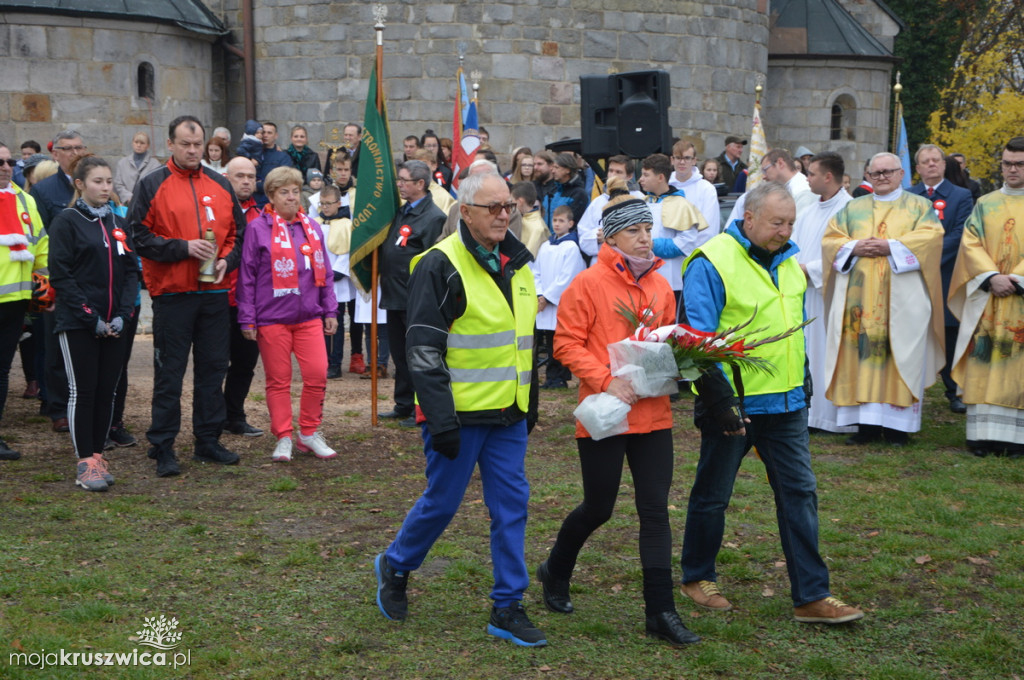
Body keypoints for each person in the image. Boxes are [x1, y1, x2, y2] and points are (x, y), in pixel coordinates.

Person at [680, 181, 864, 625]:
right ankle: (696, 576)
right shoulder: (712, 262)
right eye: (777, 222)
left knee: (800, 494)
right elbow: (696, 341)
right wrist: (721, 402)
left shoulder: (790, 263)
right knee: (713, 495)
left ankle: (812, 596)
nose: (785, 231)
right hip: (733, 406)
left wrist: (801, 383)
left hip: (785, 406)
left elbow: (791, 329)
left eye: (790, 223)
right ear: (749, 219)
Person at [373, 172, 545, 648]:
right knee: (442, 503)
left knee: (512, 506)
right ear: (464, 212)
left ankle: (507, 604)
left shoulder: (519, 263)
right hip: (459, 415)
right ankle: (396, 565)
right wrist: (441, 419)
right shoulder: (438, 264)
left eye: (507, 205)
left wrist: (528, 402)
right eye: (492, 207)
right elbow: (423, 351)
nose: (503, 214)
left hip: (507, 414)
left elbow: (522, 341)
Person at [537, 179, 700, 645]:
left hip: (654, 416)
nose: (645, 237)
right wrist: (609, 380)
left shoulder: (664, 286)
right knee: (599, 506)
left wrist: (682, 366)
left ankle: (660, 611)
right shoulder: (586, 285)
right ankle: (555, 569)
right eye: (633, 231)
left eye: (648, 228)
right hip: (606, 412)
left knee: (655, 511)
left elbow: (666, 342)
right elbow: (566, 344)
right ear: (610, 239)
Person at [130, 115, 245, 477]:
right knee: (170, 373)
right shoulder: (152, 184)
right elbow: (137, 235)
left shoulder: (220, 183)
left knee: (213, 369)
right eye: (185, 144)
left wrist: (227, 259)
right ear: (171, 145)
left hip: (213, 294)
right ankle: (162, 445)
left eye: (198, 144)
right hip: (173, 293)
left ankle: (207, 440)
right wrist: (182, 247)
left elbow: (239, 235)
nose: (193, 150)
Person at [822, 153, 945, 445]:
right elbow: (831, 240)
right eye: (875, 173)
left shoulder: (920, 206)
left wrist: (891, 246)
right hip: (860, 300)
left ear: (901, 173)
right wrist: (854, 246)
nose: (881, 177)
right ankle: (864, 426)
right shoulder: (854, 207)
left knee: (899, 352)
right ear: (868, 175)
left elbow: (932, 239)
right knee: (860, 353)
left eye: (888, 172)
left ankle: (897, 429)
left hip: (902, 300)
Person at [48, 155, 138, 491]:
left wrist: (122, 315)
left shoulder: (118, 221)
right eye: (98, 181)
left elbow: (130, 272)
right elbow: (62, 274)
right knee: (83, 392)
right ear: (80, 184)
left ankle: (99, 455)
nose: (105, 187)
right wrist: (91, 318)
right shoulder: (67, 222)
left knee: (107, 392)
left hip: (115, 324)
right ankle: (84, 460)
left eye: (109, 181)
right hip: (78, 323)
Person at [236, 166, 338, 462]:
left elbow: (325, 273)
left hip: (308, 317)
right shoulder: (258, 228)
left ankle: (308, 432)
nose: (292, 198)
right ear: (271, 196)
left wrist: (329, 309)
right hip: (272, 318)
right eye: (285, 192)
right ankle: (283, 436)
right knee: (278, 380)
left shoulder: (312, 226)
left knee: (317, 374)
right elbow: (248, 276)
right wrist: (248, 318)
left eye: (295, 191)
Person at [948, 137, 1024, 458]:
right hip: (988, 298)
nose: (1012, 170)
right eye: (1007, 163)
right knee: (984, 358)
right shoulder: (986, 203)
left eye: (1019, 164)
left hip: (1019, 300)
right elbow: (970, 244)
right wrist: (992, 277)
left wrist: (1016, 279)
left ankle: (1016, 440)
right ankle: (982, 436)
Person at [378, 160, 447, 427]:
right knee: (399, 353)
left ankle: (420, 408)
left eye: (404, 180)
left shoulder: (434, 217)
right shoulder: (402, 211)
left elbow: (432, 261)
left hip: (415, 298)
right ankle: (403, 404)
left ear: (420, 183)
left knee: (416, 354)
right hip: (395, 295)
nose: (400, 185)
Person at [908, 144, 974, 414]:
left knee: (949, 335)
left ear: (944, 165)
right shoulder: (908, 196)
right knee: (911, 333)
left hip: (946, 275)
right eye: (926, 161)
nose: (932, 164)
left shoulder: (962, 196)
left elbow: (960, 235)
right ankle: (909, 389)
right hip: (912, 276)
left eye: (936, 160)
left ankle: (954, 389)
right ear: (918, 168)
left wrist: (927, 259)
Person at [791, 152, 854, 433]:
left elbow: (850, 251)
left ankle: (831, 417)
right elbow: (792, 245)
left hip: (834, 294)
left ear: (828, 177)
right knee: (808, 351)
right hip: (804, 292)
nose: (807, 178)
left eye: (812, 174)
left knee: (829, 352)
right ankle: (810, 413)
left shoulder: (851, 210)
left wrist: (811, 269)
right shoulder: (807, 211)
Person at [31, 130, 88, 433]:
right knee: (54, 346)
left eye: (80, 147)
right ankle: (57, 407)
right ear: (55, 154)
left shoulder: (94, 184)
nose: (75, 153)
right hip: (56, 281)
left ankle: (84, 403)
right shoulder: (44, 192)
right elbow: (38, 245)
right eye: (68, 149)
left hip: (88, 278)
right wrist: (42, 293)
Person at [0, 142, 47, 461]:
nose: (5, 166)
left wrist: (44, 286)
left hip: (16, 302)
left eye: (9, 161)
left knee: (2, 370)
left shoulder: (25, 199)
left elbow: (41, 245)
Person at [222, 156, 264, 438]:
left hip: (250, 304)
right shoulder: (216, 212)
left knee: (245, 364)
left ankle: (234, 415)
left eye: (250, 176)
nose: (246, 181)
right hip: (218, 301)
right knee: (213, 365)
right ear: (227, 178)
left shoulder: (261, 216)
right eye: (240, 176)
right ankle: (212, 418)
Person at [639, 153, 710, 303]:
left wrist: (653, 245)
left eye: (646, 175)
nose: (641, 180)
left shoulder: (681, 205)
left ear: (660, 177)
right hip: (643, 276)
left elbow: (687, 242)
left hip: (671, 280)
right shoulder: (641, 203)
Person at [534, 204, 585, 389]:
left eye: (561, 221)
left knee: (560, 340)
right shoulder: (546, 245)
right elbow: (536, 272)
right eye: (554, 220)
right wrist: (539, 293)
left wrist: (547, 297)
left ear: (570, 223)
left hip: (559, 302)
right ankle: (551, 376)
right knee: (549, 341)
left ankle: (560, 376)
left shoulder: (571, 247)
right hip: (545, 302)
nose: (557, 224)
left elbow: (567, 277)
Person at [577, 155, 643, 263]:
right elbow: (583, 234)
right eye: (611, 171)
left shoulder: (639, 199)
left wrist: (612, 236)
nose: (613, 175)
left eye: (618, 172)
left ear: (629, 176)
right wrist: (597, 236)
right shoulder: (598, 202)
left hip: (630, 262)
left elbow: (646, 233)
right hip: (602, 262)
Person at [669, 141, 722, 234]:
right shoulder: (665, 186)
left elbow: (709, 230)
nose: (682, 162)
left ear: (694, 161)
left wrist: (682, 247)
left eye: (687, 158)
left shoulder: (707, 189)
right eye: (678, 158)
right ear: (672, 160)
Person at [541, 153, 589, 232]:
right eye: (552, 167)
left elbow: (574, 224)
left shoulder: (579, 194)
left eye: (556, 167)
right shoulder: (552, 190)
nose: (552, 171)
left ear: (568, 170)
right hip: (549, 240)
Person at [114, 132, 162, 203]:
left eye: (142, 143)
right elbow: (118, 184)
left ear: (148, 146)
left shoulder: (155, 165)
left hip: (146, 204)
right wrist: (128, 197)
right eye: (136, 142)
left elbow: (157, 186)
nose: (138, 145)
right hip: (126, 204)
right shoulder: (122, 163)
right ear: (132, 143)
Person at [254, 121, 295, 207]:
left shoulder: (283, 157)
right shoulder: (252, 155)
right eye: (263, 132)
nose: (265, 135)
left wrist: (258, 186)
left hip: (272, 203)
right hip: (252, 203)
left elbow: (282, 181)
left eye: (269, 133)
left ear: (276, 136)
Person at [509, 181, 548, 257]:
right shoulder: (522, 219)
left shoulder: (537, 228)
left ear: (519, 202)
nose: (510, 205)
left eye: (512, 201)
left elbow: (528, 257)